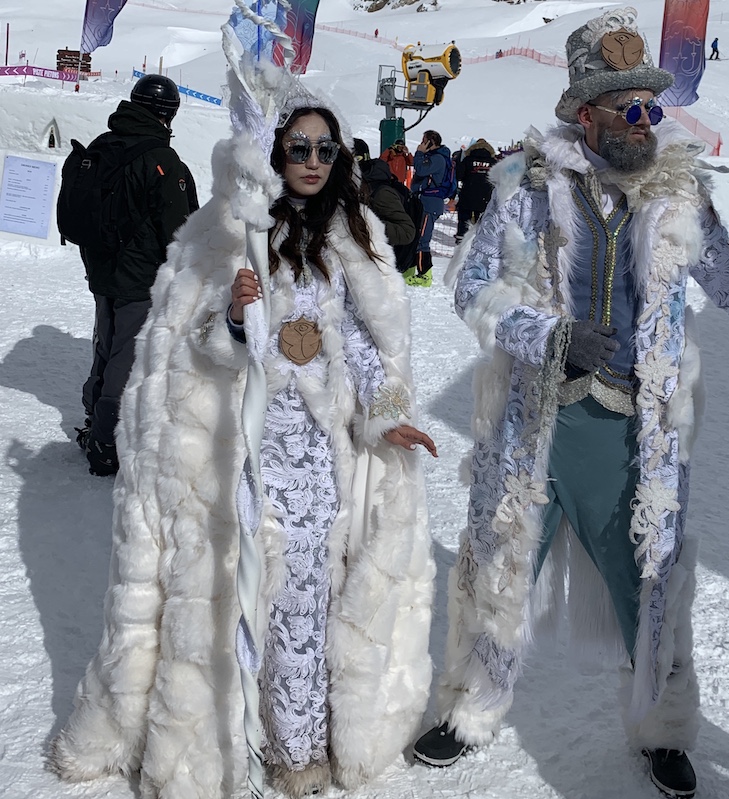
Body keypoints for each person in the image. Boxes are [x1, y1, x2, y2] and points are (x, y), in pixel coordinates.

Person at [411, 7, 729, 799]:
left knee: (652, 581)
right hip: (538, 426)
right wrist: (549, 335)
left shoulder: (680, 192)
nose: (643, 118)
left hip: (636, 434)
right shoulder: (528, 185)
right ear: (583, 111)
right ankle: (468, 707)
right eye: (625, 105)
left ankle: (659, 726)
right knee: (498, 565)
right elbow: (473, 287)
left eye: (650, 104)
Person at [49, 74, 438, 799]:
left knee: (301, 605)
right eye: (298, 146)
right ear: (273, 149)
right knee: (230, 596)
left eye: (326, 148)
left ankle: (295, 751)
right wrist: (233, 316)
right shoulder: (224, 233)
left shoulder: (353, 236)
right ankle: (218, 741)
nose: (313, 160)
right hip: (244, 456)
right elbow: (186, 351)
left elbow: (368, 346)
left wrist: (386, 414)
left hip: (320, 459)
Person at [76, 74, 198, 476]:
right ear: (168, 113)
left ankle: (95, 416)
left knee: (105, 343)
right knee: (126, 355)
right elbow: (179, 228)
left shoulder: (103, 145)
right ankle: (107, 442)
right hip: (140, 276)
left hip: (101, 268)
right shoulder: (162, 160)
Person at [408, 129, 451, 284]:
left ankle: (425, 274)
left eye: (423, 140)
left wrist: (419, 153)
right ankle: (413, 269)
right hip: (424, 201)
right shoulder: (433, 157)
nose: (421, 144)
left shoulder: (438, 158)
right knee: (416, 236)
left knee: (422, 238)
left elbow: (420, 169)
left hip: (430, 202)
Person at [359, 155, 417, 250]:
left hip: (375, 257)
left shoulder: (382, 193)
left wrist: (367, 226)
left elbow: (407, 232)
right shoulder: (355, 185)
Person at [454, 137, 497, 243]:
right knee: (482, 224)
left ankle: (460, 243)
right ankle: (480, 244)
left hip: (467, 196)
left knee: (463, 223)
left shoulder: (467, 160)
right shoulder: (493, 162)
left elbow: (458, 176)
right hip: (485, 198)